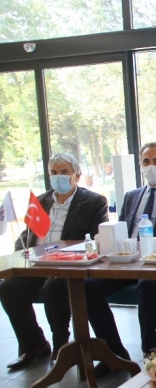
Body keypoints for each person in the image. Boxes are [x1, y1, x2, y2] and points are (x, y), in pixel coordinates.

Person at [85, 142, 156, 377]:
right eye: (146, 161)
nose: (151, 166)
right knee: (88, 286)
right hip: (128, 262)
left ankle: (151, 355)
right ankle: (114, 355)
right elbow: (121, 232)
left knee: (147, 285)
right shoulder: (132, 196)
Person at [0, 153, 108, 369]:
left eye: (64, 172)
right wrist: (21, 252)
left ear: (77, 175)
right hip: (38, 264)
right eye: (54, 172)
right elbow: (27, 234)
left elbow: (97, 239)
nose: (59, 177)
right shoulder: (41, 201)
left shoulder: (94, 202)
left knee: (53, 288)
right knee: (8, 288)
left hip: (69, 266)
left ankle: (62, 347)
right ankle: (35, 346)